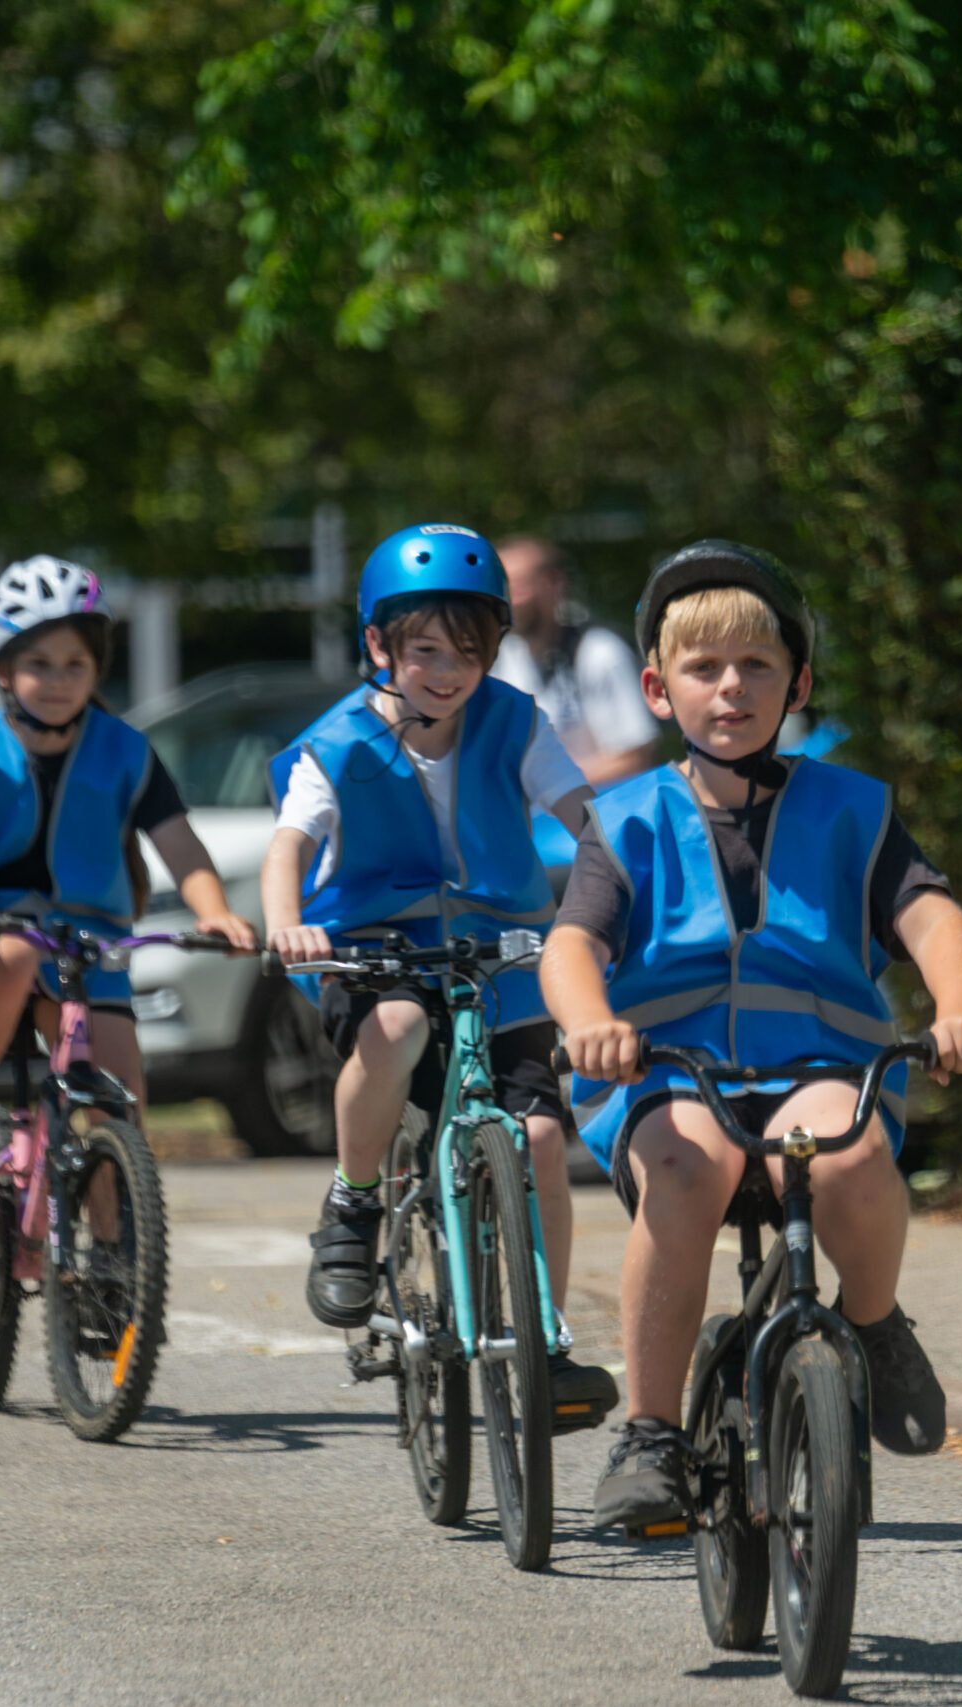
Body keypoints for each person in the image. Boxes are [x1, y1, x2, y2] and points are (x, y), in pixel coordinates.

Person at [537, 540, 962, 1529]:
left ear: (797, 684)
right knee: (685, 1166)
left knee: (851, 1149)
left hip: (818, 1066)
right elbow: (571, 945)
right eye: (704, 670)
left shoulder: (851, 808)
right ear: (660, 692)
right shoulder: (624, 819)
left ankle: (873, 1322)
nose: (732, 688)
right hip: (670, 1073)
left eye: (756, 666)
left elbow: (930, 916)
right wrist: (591, 1026)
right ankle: (651, 1431)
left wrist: (959, 1009)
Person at [264, 523, 619, 1432]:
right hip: (376, 951)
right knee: (394, 1031)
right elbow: (290, 846)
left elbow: (583, 813)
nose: (448, 670)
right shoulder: (337, 742)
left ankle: (545, 1334)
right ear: (378, 645)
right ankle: (353, 1204)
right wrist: (286, 923)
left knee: (542, 1138)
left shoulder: (514, 721)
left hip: (498, 954)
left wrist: (628, 878)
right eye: (424, 650)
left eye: (469, 650)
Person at [0, 557, 254, 1191]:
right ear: (1, 670)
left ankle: (115, 1262)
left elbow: (182, 847)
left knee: (119, 1100)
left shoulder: (125, 751)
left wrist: (214, 910)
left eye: (75, 665)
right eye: (39, 665)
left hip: (82, 943)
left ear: (97, 670)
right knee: (8, 954)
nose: (58, 681)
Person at [489, 535, 660, 786]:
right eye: (501, 589)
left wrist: (543, 787)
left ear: (554, 583)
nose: (508, 600)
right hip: (535, 819)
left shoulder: (599, 652)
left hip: (602, 812)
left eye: (518, 587)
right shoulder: (504, 660)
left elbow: (634, 756)